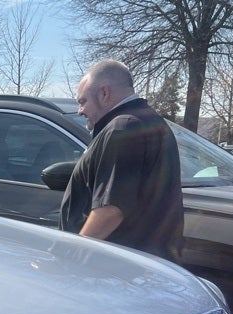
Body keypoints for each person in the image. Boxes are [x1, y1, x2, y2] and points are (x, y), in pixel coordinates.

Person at [60, 60, 183, 260]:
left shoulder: (122, 128)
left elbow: (110, 210)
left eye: (83, 101)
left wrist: (73, 255)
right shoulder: (148, 121)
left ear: (104, 93)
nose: (80, 110)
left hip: (113, 266)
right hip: (141, 263)